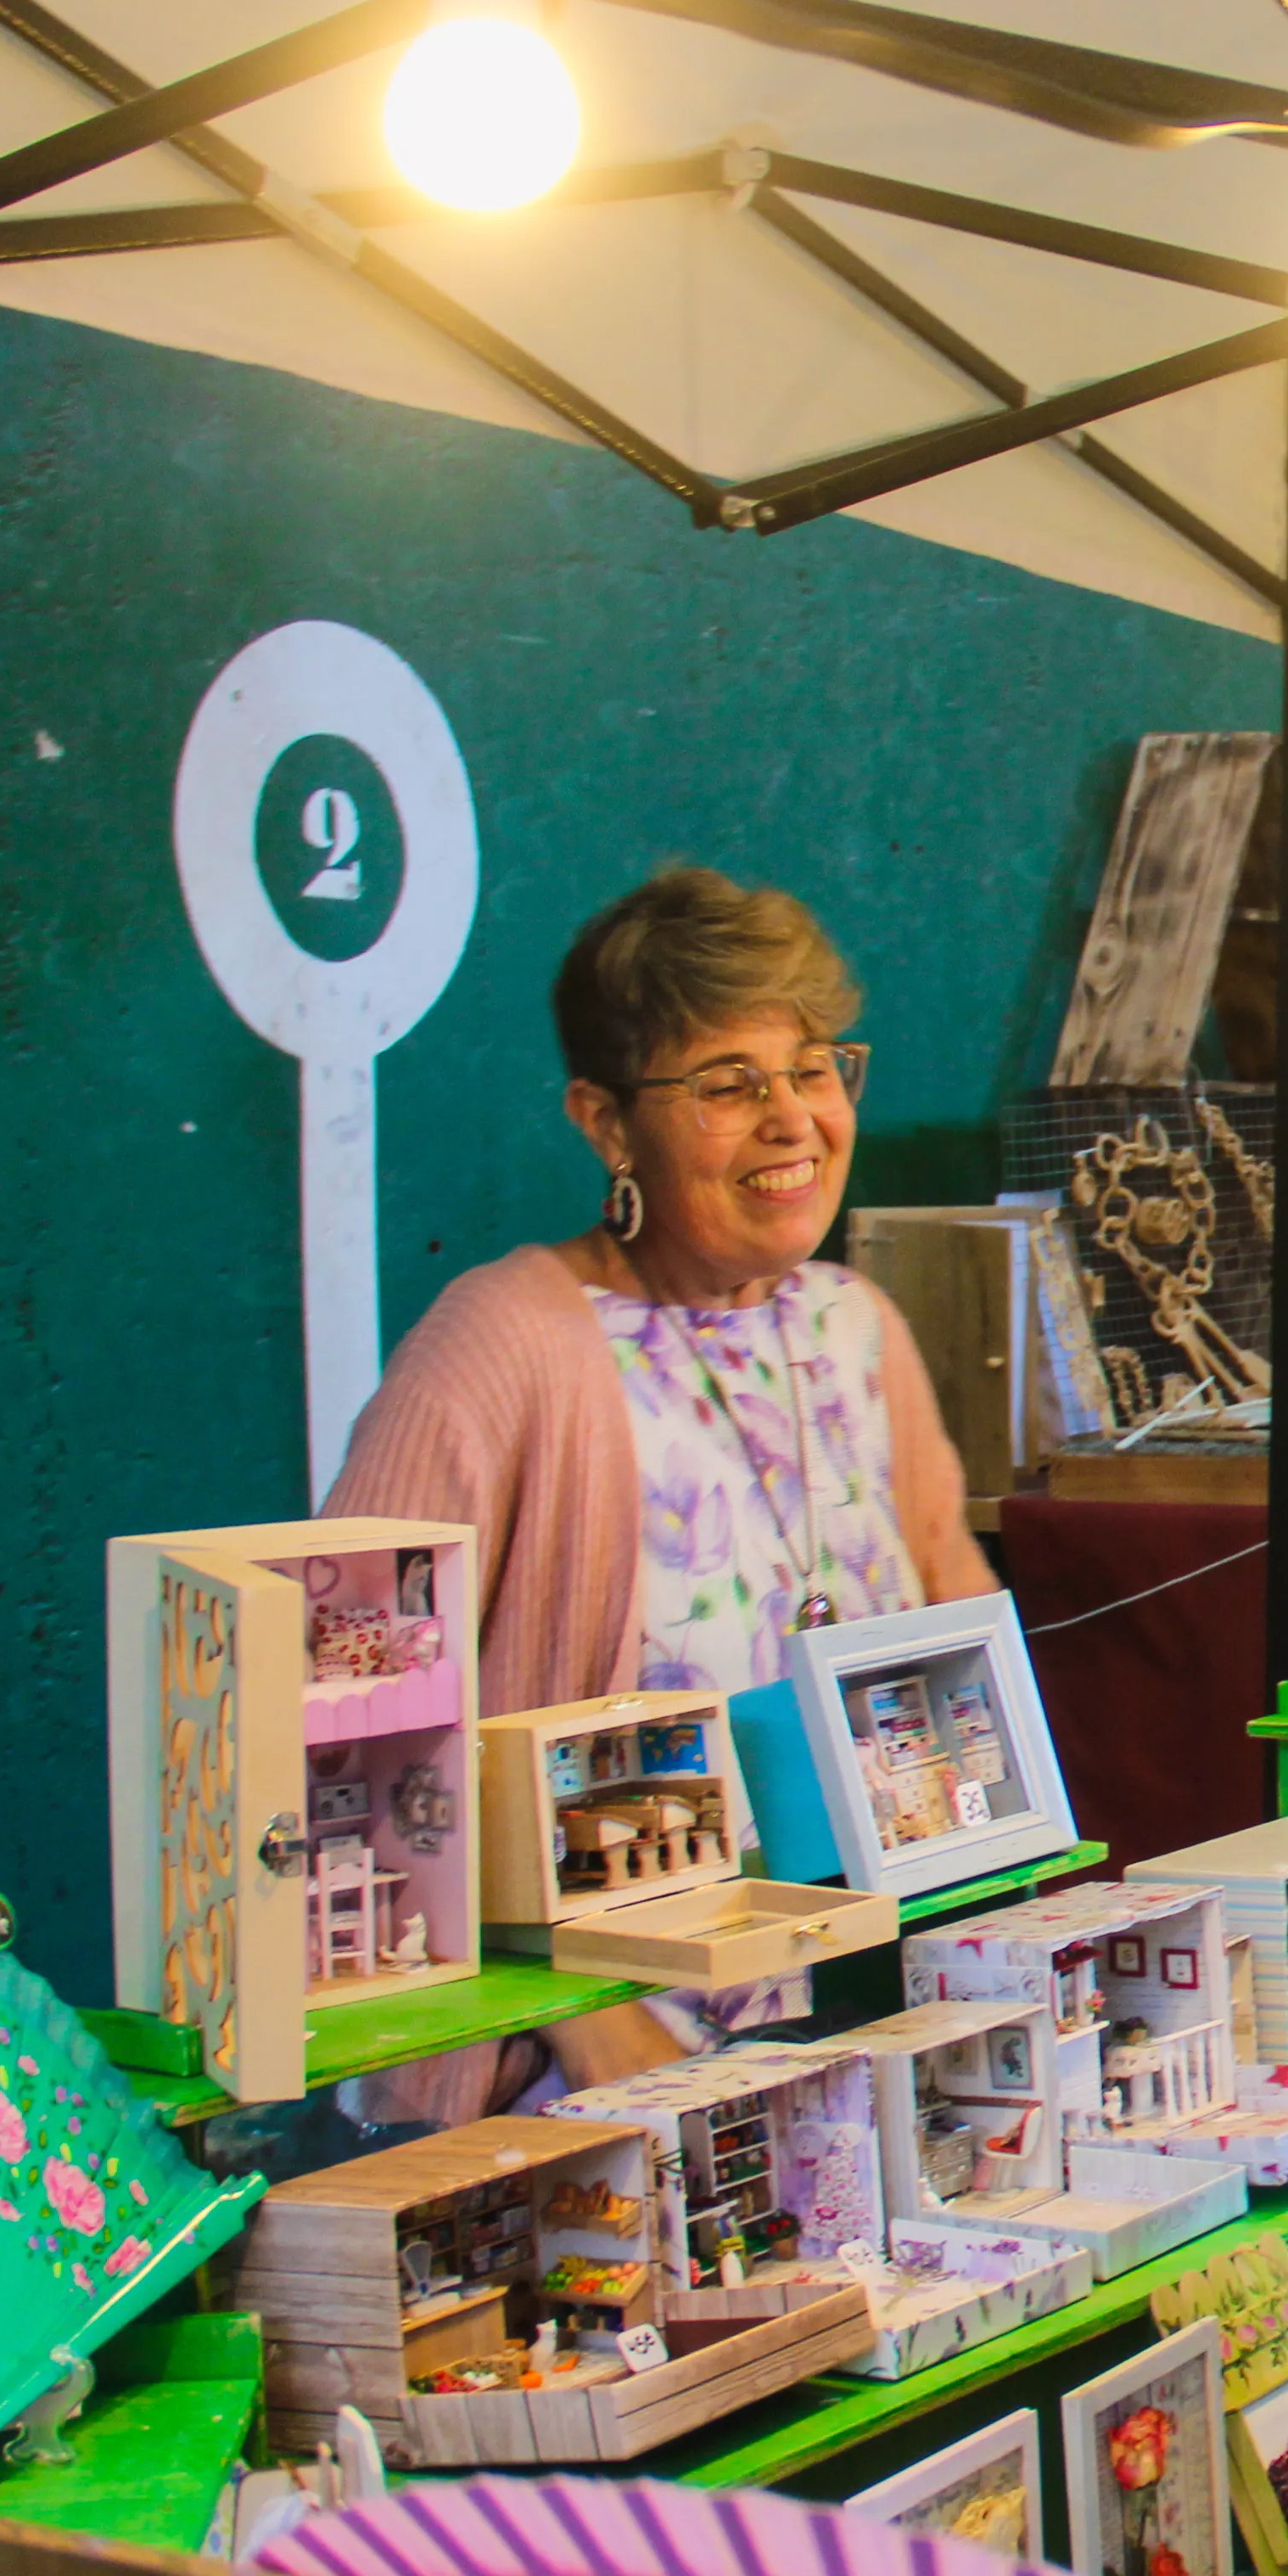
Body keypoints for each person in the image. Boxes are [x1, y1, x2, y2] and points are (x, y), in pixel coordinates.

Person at [327, 864, 996, 2088]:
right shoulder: (501, 1348)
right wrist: (599, 2038)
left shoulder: (857, 1330)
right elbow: (354, 1749)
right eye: (729, 1085)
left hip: (883, 2034)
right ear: (603, 1120)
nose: (792, 1118)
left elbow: (968, 1672)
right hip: (597, 2083)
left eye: (812, 1069)